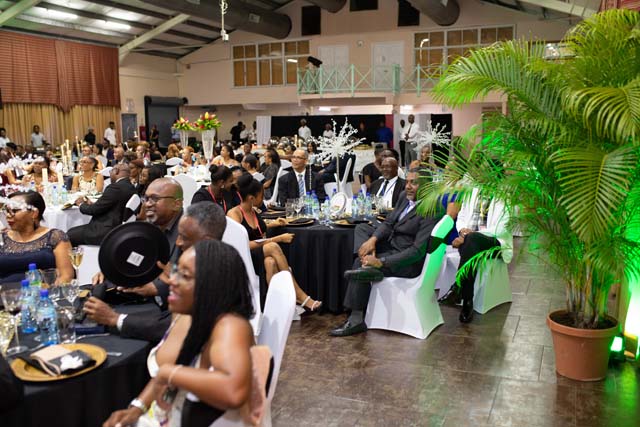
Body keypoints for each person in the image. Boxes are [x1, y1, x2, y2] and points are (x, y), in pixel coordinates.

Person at [102, 239, 255, 427]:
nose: (172, 281)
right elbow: (166, 376)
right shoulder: (194, 317)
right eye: (176, 271)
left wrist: (169, 372)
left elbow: (234, 391)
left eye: (185, 276)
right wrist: (136, 408)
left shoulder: (230, 326)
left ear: (211, 284)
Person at [330, 169, 452, 337]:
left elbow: (416, 252)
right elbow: (388, 223)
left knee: (359, 264)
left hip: (406, 261)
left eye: (414, 183)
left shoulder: (432, 210)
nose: (407, 186)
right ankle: (367, 265)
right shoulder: (404, 197)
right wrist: (373, 240)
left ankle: (356, 319)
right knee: (362, 228)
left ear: (426, 186)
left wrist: (382, 262)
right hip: (392, 244)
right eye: (407, 181)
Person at [84, 201, 226, 344]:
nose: (178, 242)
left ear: (206, 241)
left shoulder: (215, 275)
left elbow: (172, 327)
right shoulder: (201, 260)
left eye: (184, 237)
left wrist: (114, 318)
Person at [228, 175, 322, 311]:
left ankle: (277, 306)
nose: (263, 200)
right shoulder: (234, 214)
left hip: (257, 256)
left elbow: (256, 230)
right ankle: (299, 294)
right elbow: (242, 245)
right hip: (242, 257)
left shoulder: (253, 211)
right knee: (273, 246)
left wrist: (273, 224)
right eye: (261, 196)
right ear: (251, 198)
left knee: (270, 262)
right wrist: (278, 238)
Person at [438, 187, 512, 323]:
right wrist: (462, 231)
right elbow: (462, 216)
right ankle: (466, 300)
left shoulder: (504, 194)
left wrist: (472, 235)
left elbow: (501, 228)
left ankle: (459, 289)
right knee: (470, 244)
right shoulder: (472, 190)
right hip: (469, 241)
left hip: (494, 241)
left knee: (471, 241)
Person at [0, 191, 74, 284]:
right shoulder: (2, 239)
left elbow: (66, 276)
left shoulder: (55, 237)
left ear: (34, 213)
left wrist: (51, 291)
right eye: (7, 211)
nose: (8, 215)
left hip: (44, 291)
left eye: (14, 211)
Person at [67, 164, 136, 246]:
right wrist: (94, 204)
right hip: (118, 228)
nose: (110, 175)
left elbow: (93, 210)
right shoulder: (131, 187)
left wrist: (81, 204)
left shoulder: (115, 188)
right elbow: (111, 204)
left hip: (104, 231)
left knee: (68, 235)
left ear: (116, 171)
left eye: (110, 172)